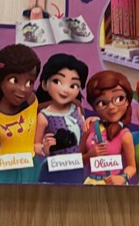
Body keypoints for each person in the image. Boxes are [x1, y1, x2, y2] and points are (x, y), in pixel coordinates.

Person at [0, 44, 41, 183]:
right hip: (3, 169)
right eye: (14, 80)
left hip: (29, 167)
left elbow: (52, 107)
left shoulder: (32, 101)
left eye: (30, 82)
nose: (23, 89)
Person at [34, 54, 89, 184]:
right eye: (57, 82)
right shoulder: (44, 116)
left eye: (73, 85)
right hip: (54, 169)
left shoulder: (77, 109)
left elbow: (84, 135)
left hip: (77, 168)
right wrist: (44, 148)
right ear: (44, 84)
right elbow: (35, 145)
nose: (65, 90)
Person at [81, 71, 136, 185]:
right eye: (102, 103)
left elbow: (132, 166)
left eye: (119, 99)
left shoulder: (124, 135)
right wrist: (90, 155)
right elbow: (78, 160)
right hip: (91, 183)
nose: (111, 107)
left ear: (127, 102)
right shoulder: (91, 127)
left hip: (112, 185)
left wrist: (123, 178)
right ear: (94, 107)